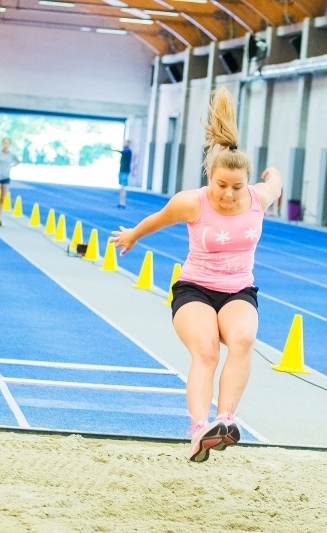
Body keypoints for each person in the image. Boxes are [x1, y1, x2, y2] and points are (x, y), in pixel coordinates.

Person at [109, 88, 283, 462]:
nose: (229, 195)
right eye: (221, 186)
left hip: (239, 290)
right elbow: (159, 219)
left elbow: (274, 186)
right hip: (195, 289)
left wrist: (275, 175)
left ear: (246, 184)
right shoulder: (193, 201)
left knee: (243, 339)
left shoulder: (257, 199)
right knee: (205, 352)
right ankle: (198, 430)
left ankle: (225, 420)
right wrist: (132, 236)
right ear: (210, 179)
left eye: (237, 187)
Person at [0, 137, 19, 226]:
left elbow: (18, 161)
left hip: (6, 178)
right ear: (2, 143)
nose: (5, 145)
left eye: (7, 143)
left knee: (2, 199)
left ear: (9, 145)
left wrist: (11, 167)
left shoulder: (12, 154)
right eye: (4, 143)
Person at [114, 139, 132, 209]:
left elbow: (123, 152)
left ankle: (123, 202)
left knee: (123, 187)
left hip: (125, 171)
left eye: (125, 143)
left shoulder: (128, 151)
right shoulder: (125, 151)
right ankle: (121, 201)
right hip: (122, 170)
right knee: (121, 188)